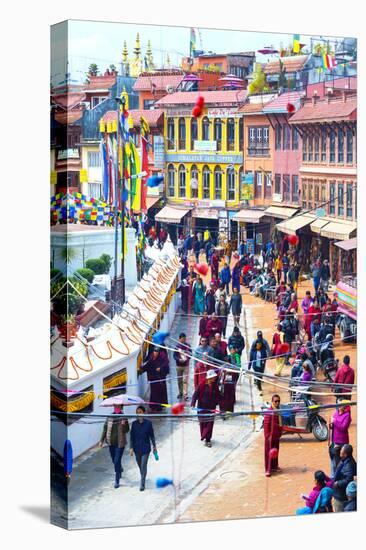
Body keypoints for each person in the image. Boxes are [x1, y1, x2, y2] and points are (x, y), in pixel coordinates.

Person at [99, 404, 130, 488]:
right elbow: (105, 429)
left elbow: (127, 430)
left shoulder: (124, 417)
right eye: (115, 406)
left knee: (116, 461)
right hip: (111, 443)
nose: (116, 407)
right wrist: (101, 441)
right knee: (114, 461)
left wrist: (124, 424)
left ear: (121, 407)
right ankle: (119, 469)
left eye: (118, 406)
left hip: (120, 444)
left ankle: (117, 480)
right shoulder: (110, 416)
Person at [129, 405, 156, 491]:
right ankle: (143, 474)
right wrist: (131, 447)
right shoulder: (134, 424)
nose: (138, 414)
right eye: (137, 413)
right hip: (137, 449)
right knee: (140, 465)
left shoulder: (148, 423)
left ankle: (142, 483)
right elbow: (131, 437)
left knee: (143, 465)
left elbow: (152, 436)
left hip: (146, 448)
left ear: (143, 413)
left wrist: (154, 446)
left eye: (140, 412)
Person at [191, 369, 220, 447]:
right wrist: (193, 403)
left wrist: (219, 404)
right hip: (202, 407)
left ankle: (208, 439)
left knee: (210, 423)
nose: (214, 378)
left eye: (214, 377)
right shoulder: (202, 384)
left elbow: (218, 395)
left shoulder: (215, 385)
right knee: (203, 422)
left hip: (211, 408)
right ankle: (204, 436)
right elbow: (196, 394)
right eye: (213, 377)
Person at [140, 347, 170, 412]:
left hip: (160, 379)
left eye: (156, 352)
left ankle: (159, 407)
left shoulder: (162, 357)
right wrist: (141, 368)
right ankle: (153, 407)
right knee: (154, 393)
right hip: (153, 379)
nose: (155, 353)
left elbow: (166, 366)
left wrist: (160, 368)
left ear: (158, 352)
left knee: (160, 393)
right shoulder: (151, 357)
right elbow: (148, 365)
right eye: (154, 352)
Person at [329, 400, 352, 476]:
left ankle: (344, 476)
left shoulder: (347, 416)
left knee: (343, 461)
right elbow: (333, 426)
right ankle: (335, 476)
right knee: (334, 461)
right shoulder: (336, 413)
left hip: (342, 441)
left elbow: (343, 427)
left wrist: (334, 421)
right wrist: (331, 424)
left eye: (340, 405)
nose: (338, 406)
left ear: (344, 406)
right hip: (335, 441)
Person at [332, 444, 357, 512]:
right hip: (340, 493)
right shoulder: (345, 460)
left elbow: (348, 479)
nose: (340, 454)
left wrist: (338, 483)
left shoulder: (349, 465)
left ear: (345, 454)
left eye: (341, 453)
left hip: (341, 496)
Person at [263, 394, 283, 477]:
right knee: (269, 453)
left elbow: (280, 423)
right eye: (275, 401)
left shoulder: (278, 411)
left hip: (276, 436)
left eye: (278, 401)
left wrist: (280, 433)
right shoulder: (269, 412)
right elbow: (266, 425)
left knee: (275, 452)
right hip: (270, 437)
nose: (277, 403)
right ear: (272, 402)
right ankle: (268, 469)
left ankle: (274, 466)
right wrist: (267, 436)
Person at [219, 347, 240, 412]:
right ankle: (223, 411)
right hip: (224, 387)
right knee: (223, 400)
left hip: (230, 386)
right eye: (225, 363)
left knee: (230, 399)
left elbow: (235, 377)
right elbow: (220, 378)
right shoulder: (222, 370)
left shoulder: (232, 370)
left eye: (228, 362)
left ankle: (230, 411)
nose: (227, 364)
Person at [173, 333, 192, 401]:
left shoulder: (188, 346)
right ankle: (180, 392)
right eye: (182, 339)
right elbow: (174, 356)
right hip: (179, 365)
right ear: (179, 339)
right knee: (179, 380)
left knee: (185, 380)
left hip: (186, 366)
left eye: (184, 339)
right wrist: (179, 359)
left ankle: (185, 394)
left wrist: (187, 358)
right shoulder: (177, 347)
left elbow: (190, 354)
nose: (184, 340)